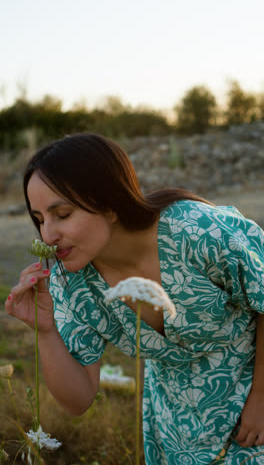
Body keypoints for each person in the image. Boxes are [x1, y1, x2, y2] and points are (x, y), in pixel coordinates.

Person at [5, 133, 264, 464]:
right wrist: (45, 330)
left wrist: (260, 398)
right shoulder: (72, 283)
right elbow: (78, 400)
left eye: (63, 214)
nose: (47, 235)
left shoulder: (196, 231)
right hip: (175, 430)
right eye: (40, 219)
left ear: (110, 203)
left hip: (254, 401)